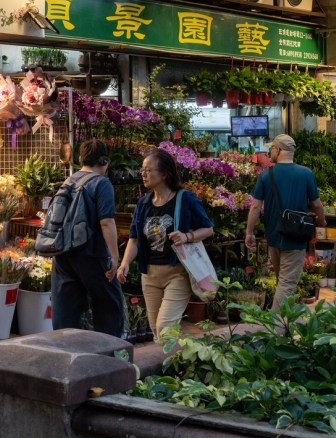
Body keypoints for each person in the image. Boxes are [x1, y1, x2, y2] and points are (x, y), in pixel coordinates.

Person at [117, 148, 214, 341]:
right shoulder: (143, 204)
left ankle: (171, 365)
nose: (143, 173)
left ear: (164, 173)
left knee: (164, 328)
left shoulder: (184, 199)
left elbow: (209, 229)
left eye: (148, 170)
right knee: (156, 330)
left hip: (176, 273)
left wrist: (187, 236)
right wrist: (125, 263)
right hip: (150, 276)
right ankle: (171, 367)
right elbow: (135, 239)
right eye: (142, 169)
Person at [50, 139, 125, 337]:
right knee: (110, 305)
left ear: (81, 158)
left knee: (67, 309)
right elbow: (106, 222)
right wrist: (115, 257)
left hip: (63, 254)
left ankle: (66, 352)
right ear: (104, 160)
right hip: (90, 253)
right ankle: (109, 356)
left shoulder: (69, 180)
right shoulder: (101, 183)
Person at [244, 134, 327, 312]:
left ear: (279, 150)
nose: (270, 151)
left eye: (272, 148)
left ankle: (284, 326)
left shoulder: (267, 175)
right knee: (287, 284)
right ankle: (275, 328)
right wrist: (322, 220)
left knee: (283, 281)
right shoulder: (306, 173)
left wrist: (249, 232)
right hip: (296, 237)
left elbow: (256, 206)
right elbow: (317, 205)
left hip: (274, 236)